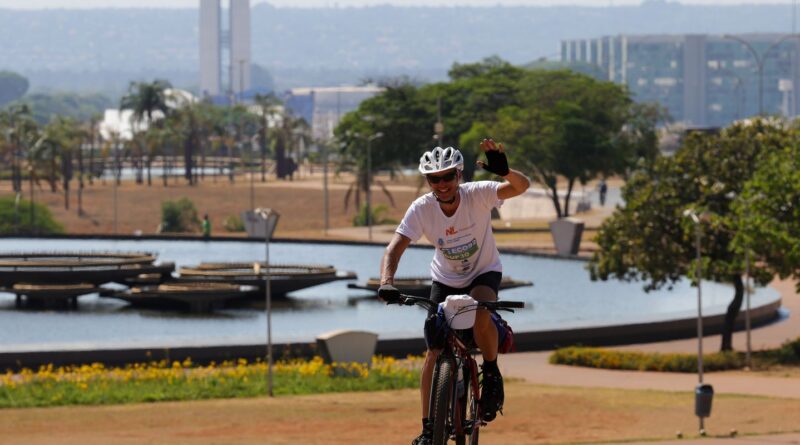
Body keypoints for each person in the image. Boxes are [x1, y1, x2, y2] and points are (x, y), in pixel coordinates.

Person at [378, 139, 530, 445]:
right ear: (428, 181)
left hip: (484, 271)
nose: (443, 184)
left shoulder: (478, 194)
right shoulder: (421, 208)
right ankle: (427, 427)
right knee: (434, 350)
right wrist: (387, 281)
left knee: (482, 312)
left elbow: (521, 186)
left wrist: (505, 171)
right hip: (445, 278)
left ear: (459, 175)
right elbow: (394, 248)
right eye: (435, 179)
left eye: (448, 176)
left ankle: (491, 371)